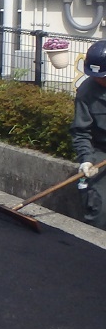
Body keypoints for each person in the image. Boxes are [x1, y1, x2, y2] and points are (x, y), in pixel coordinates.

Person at [72, 39, 106, 227]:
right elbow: (81, 131)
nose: (99, 80)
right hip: (102, 151)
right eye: (96, 75)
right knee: (99, 207)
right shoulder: (86, 92)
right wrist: (86, 159)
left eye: (103, 76)